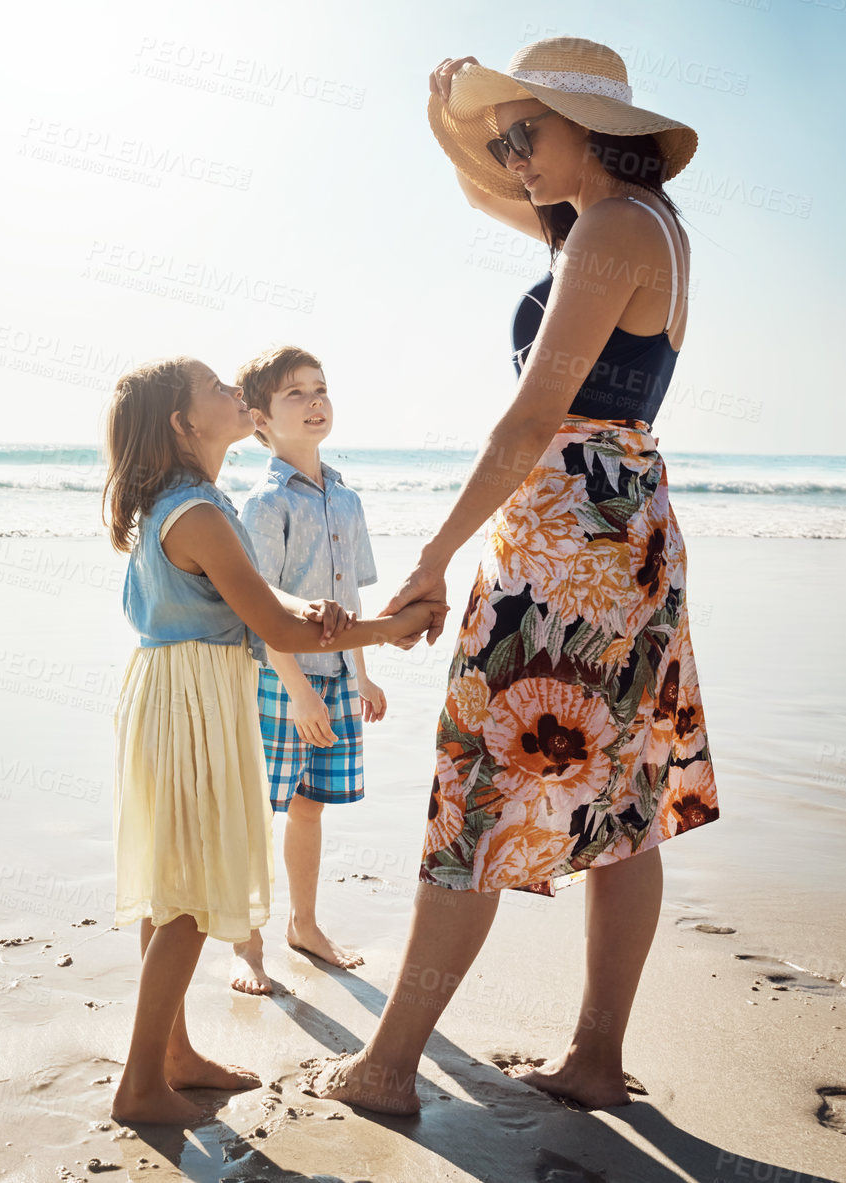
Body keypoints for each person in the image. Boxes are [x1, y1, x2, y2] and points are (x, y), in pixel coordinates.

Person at [314, 36, 717, 1115]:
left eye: (526, 132)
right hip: (621, 530)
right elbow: (481, 187)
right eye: (507, 139)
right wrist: (454, 115)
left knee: (478, 792)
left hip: (566, 544)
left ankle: (389, 1065)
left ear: (594, 128)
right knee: (622, 805)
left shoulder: (614, 229)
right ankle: (593, 1058)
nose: (512, 156)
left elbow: (532, 418)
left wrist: (431, 558)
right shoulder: (629, 224)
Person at [101, 355, 444, 1124]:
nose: (235, 394)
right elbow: (278, 625)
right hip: (192, 704)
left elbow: (262, 595)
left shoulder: (193, 504)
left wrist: (311, 604)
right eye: (217, 389)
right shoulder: (199, 512)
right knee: (190, 895)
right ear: (185, 425)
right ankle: (140, 1086)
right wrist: (390, 629)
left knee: (172, 886)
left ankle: (173, 1053)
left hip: (175, 694)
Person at [226, 346, 385, 994]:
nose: (315, 401)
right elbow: (260, 611)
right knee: (259, 812)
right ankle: (246, 943)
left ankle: (305, 922)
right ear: (260, 420)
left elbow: (350, 601)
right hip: (280, 678)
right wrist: (297, 691)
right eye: (295, 393)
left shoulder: (345, 496)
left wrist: (362, 672)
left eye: (320, 388)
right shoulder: (265, 504)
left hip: (338, 676)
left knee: (312, 807)